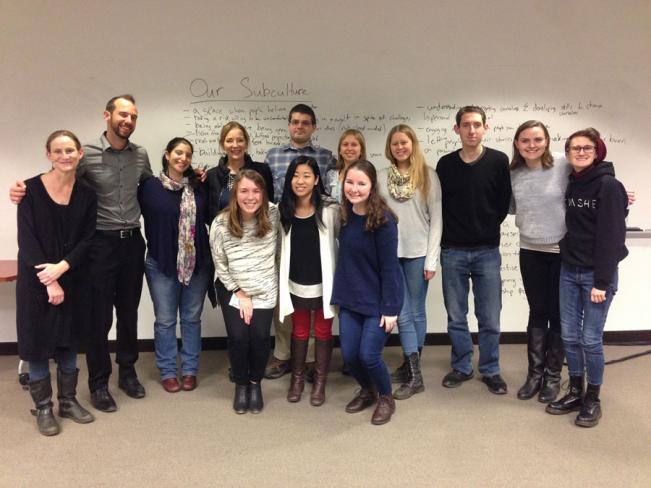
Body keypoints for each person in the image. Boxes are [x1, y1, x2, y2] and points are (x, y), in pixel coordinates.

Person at [10, 95, 152, 412]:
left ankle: (127, 374)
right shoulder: (85, 154)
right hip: (98, 245)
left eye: (133, 116)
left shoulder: (141, 155)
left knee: (129, 313)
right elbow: (59, 174)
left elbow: (151, 187)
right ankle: (99, 383)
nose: (127, 121)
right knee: (98, 317)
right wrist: (21, 190)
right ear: (107, 116)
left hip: (132, 242)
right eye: (122, 115)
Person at [545, 128, 628, 428]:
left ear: (597, 151)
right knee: (569, 336)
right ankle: (576, 392)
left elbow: (612, 238)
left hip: (596, 275)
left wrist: (602, 283)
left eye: (587, 147)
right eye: (575, 148)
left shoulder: (608, 185)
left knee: (590, 340)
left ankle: (593, 398)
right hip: (569, 270)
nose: (580, 152)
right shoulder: (573, 183)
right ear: (567, 154)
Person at [16, 130, 96, 435]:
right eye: (58, 151)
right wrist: (49, 280)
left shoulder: (87, 194)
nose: (65, 156)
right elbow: (27, 239)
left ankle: (68, 400)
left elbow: (88, 239)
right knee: (37, 343)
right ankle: (45, 407)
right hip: (36, 280)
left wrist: (62, 268)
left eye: (70, 150)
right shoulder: (30, 191)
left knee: (69, 339)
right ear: (48, 155)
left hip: (73, 276)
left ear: (79, 154)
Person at [436, 106, 511, 395]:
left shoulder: (498, 161)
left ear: (485, 128)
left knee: (490, 316)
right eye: (465, 125)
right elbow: (442, 205)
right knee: (456, 315)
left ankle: (491, 369)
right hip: (453, 250)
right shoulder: (445, 164)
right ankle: (462, 366)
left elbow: (503, 203)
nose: (471, 130)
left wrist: (485, 227)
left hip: (487, 250)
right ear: (457, 129)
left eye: (477, 124)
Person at [264, 104, 336, 379]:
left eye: (306, 122)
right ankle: (283, 355)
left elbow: (333, 193)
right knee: (286, 292)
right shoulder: (274, 156)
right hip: (285, 229)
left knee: (315, 296)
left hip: (314, 230)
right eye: (295, 122)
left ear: (314, 127)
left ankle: (310, 360)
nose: (300, 127)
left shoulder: (326, 157)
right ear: (289, 125)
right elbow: (268, 196)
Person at [139, 138, 215, 393]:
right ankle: (169, 370)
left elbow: (212, 218)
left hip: (198, 263)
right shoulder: (148, 186)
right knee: (165, 320)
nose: (183, 158)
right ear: (167, 154)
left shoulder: (199, 186)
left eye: (188, 154)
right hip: (160, 263)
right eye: (178, 153)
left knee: (192, 318)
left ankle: (190, 369)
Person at [331, 160, 403, 425]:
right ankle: (367, 390)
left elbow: (390, 269)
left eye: (361, 183)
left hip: (380, 300)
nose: (354, 188)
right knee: (350, 356)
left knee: (368, 355)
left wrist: (391, 308)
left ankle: (386, 396)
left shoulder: (383, 221)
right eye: (350, 182)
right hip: (351, 297)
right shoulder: (344, 215)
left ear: (372, 186)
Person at [378, 124, 442, 400]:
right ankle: (412, 369)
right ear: (389, 148)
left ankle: (413, 370)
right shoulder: (380, 178)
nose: (400, 147)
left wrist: (432, 259)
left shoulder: (428, 176)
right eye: (395, 144)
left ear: (413, 144)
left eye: (404, 142)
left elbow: (437, 219)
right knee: (402, 311)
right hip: (391, 253)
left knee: (416, 311)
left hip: (418, 253)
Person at [510, 120, 570, 402]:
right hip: (530, 249)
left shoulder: (563, 163)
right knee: (538, 310)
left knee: (557, 313)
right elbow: (509, 207)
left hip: (561, 250)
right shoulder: (513, 173)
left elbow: (594, 178)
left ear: (546, 140)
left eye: (537, 140)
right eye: (525, 141)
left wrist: (619, 194)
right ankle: (535, 375)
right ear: (517, 144)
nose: (531, 145)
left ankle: (553, 377)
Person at [210, 170, 279, 414]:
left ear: (263, 193)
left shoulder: (274, 214)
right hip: (233, 288)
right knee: (239, 338)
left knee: (260, 338)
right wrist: (239, 293)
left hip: (264, 289)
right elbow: (220, 264)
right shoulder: (221, 223)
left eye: (256, 191)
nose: (251, 196)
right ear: (234, 193)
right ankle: (240, 384)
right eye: (244, 191)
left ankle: (254, 383)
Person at [278, 156, 340, 406]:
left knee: (323, 331)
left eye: (306, 176)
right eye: (295, 175)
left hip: (324, 283)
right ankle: (297, 379)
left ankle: (321, 382)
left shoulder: (330, 209)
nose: (300, 181)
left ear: (316, 180)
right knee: (300, 330)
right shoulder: (283, 210)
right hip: (296, 282)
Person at [206, 121, 274, 223]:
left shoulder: (262, 171)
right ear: (222, 144)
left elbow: (269, 206)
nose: (235, 145)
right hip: (222, 236)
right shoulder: (211, 176)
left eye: (240, 140)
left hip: (257, 235)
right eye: (229, 141)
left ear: (246, 143)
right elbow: (208, 214)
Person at [326, 129, 367, 202]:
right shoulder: (331, 175)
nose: (349, 148)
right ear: (340, 151)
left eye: (354, 145)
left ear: (361, 150)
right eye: (345, 144)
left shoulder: (368, 175)